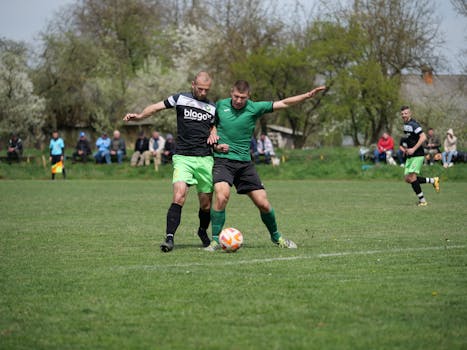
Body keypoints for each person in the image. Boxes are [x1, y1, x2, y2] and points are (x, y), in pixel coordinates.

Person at [205, 80, 326, 251]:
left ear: (249, 96)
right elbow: (210, 125)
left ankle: (277, 238)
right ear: (231, 93)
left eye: (243, 97)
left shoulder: (254, 108)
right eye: (236, 96)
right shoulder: (220, 106)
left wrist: (306, 96)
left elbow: (283, 103)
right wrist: (214, 141)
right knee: (222, 196)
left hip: (245, 163)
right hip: (223, 160)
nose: (239, 100)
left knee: (263, 203)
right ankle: (216, 240)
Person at [123, 71, 219, 252]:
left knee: (205, 204)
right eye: (200, 89)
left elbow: (216, 125)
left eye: (207, 90)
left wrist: (214, 130)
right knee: (179, 195)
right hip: (183, 157)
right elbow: (156, 107)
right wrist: (140, 116)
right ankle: (169, 238)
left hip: (205, 158)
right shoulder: (180, 98)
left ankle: (201, 231)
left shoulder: (213, 108)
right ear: (193, 84)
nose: (203, 93)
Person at [399, 106, 439, 206]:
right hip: (410, 155)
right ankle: (433, 180)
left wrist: (413, 149)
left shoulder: (414, 124)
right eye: (402, 114)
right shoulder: (406, 124)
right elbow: (411, 139)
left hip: (417, 154)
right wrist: (407, 149)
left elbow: (423, 137)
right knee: (408, 179)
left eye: (406, 113)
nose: (404, 115)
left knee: (412, 177)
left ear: (410, 113)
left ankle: (422, 201)